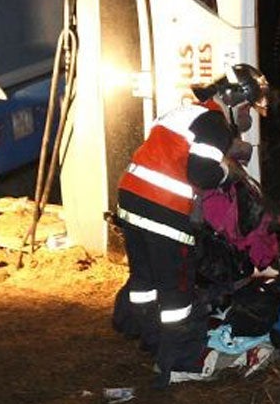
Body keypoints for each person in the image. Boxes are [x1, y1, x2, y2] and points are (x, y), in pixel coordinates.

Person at [111, 63, 270, 387]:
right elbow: (201, 173)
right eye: (248, 107)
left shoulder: (182, 114)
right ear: (236, 100)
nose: (247, 117)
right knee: (177, 291)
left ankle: (147, 336)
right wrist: (229, 171)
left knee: (144, 280)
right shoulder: (214, 123)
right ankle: (179, 362)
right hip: (163, 209)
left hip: (130, 200)